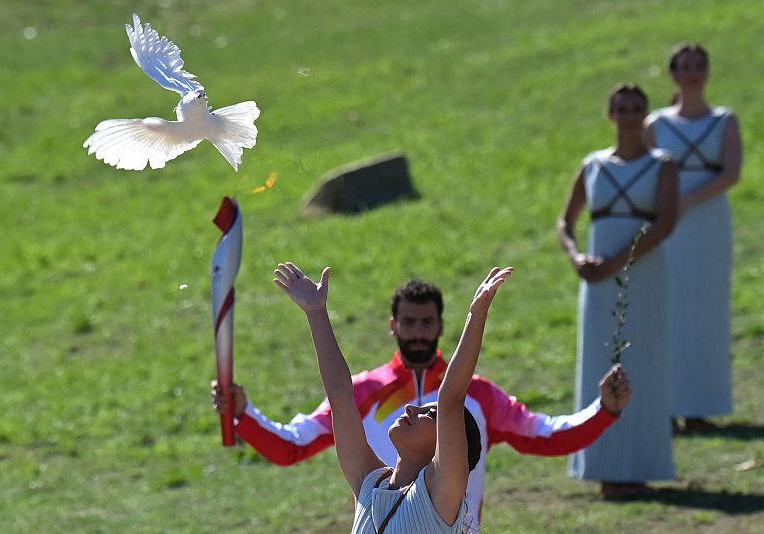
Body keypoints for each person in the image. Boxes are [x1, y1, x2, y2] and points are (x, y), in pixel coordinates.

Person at [213, 276, 631, 516]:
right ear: (392, 327)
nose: (417, 332)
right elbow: (295, 442)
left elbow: (545, 434)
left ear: (440, 326)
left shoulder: (475, 394)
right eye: (409, 323)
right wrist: (243, 414)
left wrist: (602, 412)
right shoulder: (364, 399)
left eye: (426, 322)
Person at [275, 262, 516, 532]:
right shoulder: (367, 482)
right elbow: (340, 396)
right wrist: (316, 313)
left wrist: (477, 313)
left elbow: (451, 399)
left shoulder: (442, 495)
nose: (412, 408)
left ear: (446, 441)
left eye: (429, 413)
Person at [557, 83, 679, 499]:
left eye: (636, 110)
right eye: (621, 109)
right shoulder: (592, 165)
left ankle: (640, 466)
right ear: (610, 114)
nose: (628, 117)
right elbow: (565, 222)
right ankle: (605, 467)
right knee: (599, 360)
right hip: (597, 282)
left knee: (643, 363)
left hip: (644, 277)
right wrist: (576, 258)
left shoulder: (663, 165)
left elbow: (665, 223)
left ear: (645, 115)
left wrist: (616, 261)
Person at [644, 43, 742, 433]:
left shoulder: (724, 120)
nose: (693, 72)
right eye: (685, 66)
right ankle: (665, 404)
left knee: (705, 313)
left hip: (709, 223)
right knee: (670, 310)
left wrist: (686, 199)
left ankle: (700, 405)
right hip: (669, 227)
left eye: (699, 65)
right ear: (673, 74)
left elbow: (731, 172)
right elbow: (645, 173)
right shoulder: (657, 124)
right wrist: (670, 206)